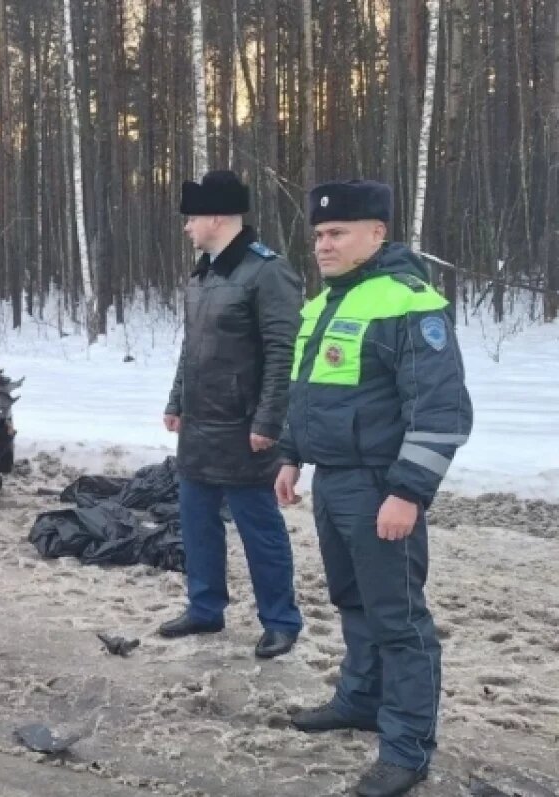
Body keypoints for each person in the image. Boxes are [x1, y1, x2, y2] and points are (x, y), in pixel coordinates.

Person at [276, 180, 473, 797]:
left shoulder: (409, 302)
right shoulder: (326, 303)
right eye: (317, 236)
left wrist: (408, 492)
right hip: (334, 483)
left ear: (377, 233)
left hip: (381, 487)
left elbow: (441, 412)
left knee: (399, 619)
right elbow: (307, 393)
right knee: (352, 602)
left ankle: (408, 747)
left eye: (336, 234)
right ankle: (361, 700)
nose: (323, 246)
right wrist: (289, 454)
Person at [161, 170, 304, 659]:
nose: (187, 228)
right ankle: (205, 608)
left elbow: (284, 352)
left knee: (258, 527)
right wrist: (176, 400)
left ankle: (281, 620)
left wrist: (268, 422)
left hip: (245, 429)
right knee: (197, 522)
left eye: (192, 218)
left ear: (217, 217)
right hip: (200, 425)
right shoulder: (202, 274)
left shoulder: (267, 272)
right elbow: (191, 347)